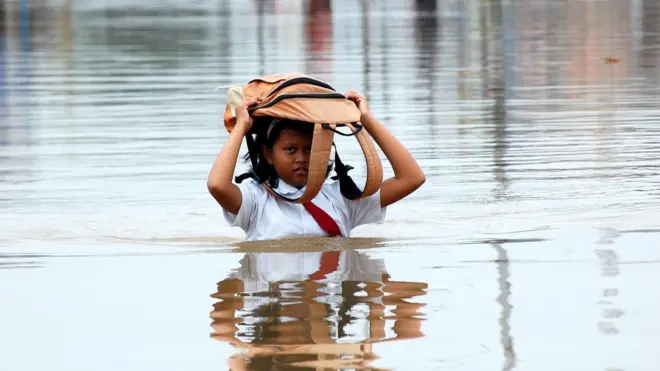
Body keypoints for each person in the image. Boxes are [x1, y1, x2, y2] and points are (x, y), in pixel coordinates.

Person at [207, 90, 425, 241]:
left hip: (326, 307)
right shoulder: (255, 200)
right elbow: (217, 185)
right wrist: (241, 127)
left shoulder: (343, 197)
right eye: (290, 150)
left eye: (310, 149)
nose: (301, 158)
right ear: (268, 154)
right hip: (277, 308)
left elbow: (412, 178)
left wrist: (366, 120)